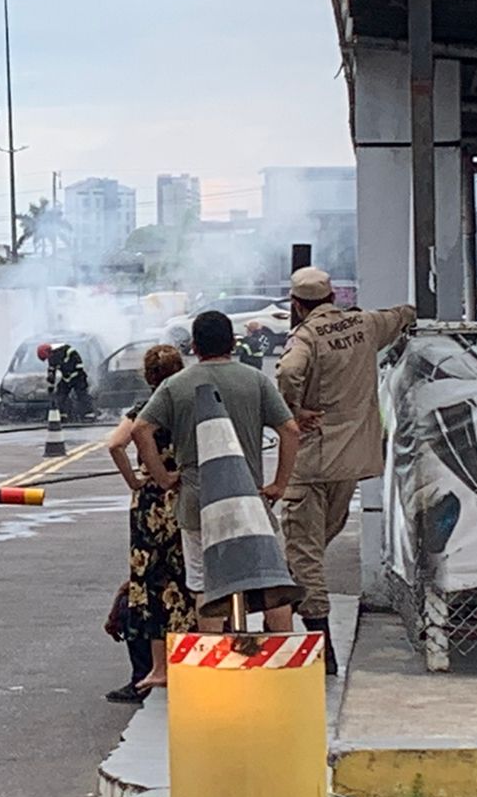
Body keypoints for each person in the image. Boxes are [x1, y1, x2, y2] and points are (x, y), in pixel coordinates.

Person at [276, 266, 415, 674]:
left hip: (313, 460)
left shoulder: (305, 337)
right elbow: (404, 314)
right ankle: (295, 602)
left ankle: (323, 652)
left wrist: (293, 412)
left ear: (297, 304)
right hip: (352, 459)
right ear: (333, 297)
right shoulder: (365, 324)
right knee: (313, 546)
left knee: (305, 554)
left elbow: (287, 372)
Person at [131, 311, 300, 632]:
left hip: (198, 502)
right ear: (232, 343)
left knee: (205, 586)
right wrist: (279, 483)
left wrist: (164, 478)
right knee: (271, 582)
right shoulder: (256, 381)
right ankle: (283, 659)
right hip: (248, 499)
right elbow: (290, 430)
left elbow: (141, 430)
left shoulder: (174, 386)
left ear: (194, 346)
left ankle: (215, 666)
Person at [105, 344, 192, 698]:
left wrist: (136, 480)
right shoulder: (188, 406)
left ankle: (150, 669)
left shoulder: (144, 410)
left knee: (150, 582)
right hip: (185, 494)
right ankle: (188, 658)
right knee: (187, 578)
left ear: (148, 376)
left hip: (151, 501)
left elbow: (115, 445)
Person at [38, 341, 94, 421]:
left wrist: (73, 372)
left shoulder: (66, 349)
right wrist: (51, 385)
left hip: (78, 376)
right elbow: (52, 371)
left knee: (82, 394)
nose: (49, 358)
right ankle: (62, 415)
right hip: (66, 378)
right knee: (60, 394)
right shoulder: (52, 357)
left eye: (48, 356)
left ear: (49, 351)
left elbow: (78, 362)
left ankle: (89, 415)